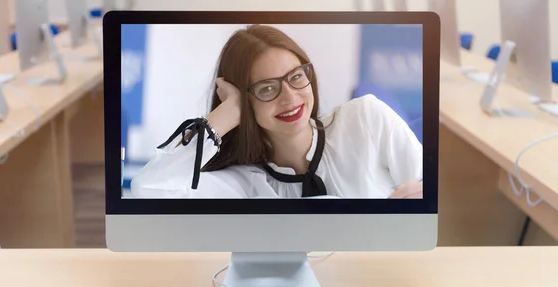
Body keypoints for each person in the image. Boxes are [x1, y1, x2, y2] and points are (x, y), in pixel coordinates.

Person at [131, 24, 423, 199]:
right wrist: (225, 114)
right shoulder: (246, 183)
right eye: (267, 89)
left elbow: (430, 189)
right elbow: (151, 189)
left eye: (296, 76)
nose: (290, 97)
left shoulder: (365, 118)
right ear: (245, 102)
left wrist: (421, 196)